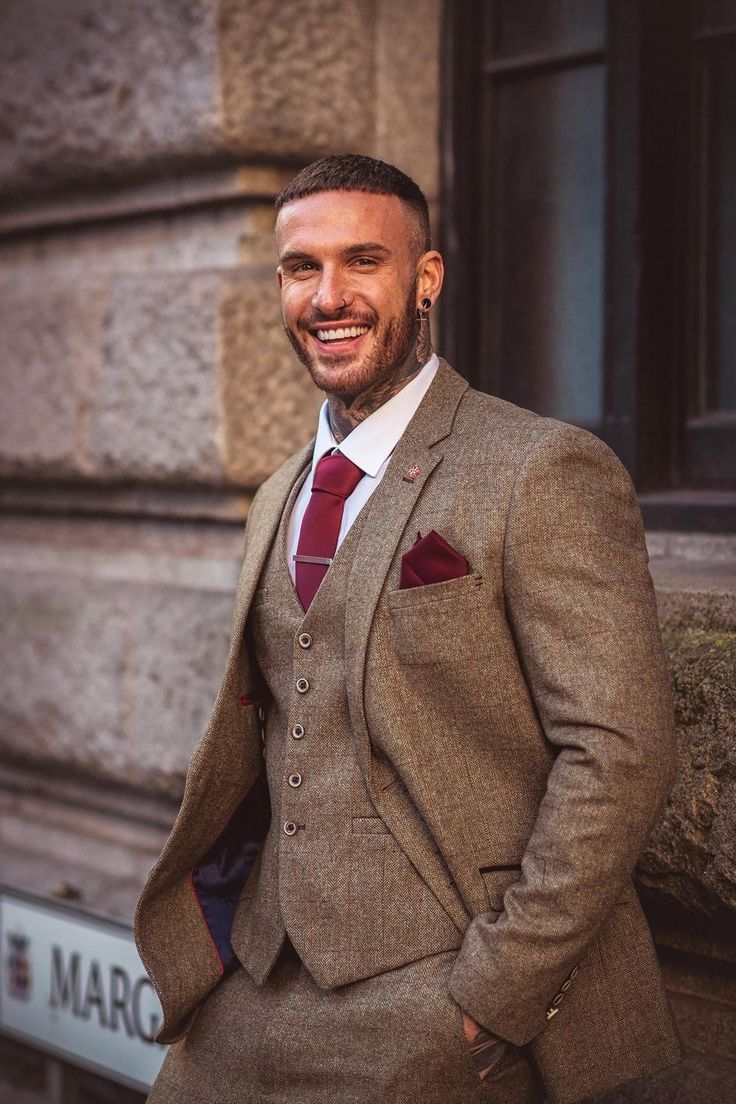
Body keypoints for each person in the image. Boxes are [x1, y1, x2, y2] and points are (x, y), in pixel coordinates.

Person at [135, 154, 681, 1104]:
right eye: (302, 268)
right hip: (254, 981)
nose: (329, 296)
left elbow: (619, 751)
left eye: (362, 261)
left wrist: (494, 993)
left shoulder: (538, 468)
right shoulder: (277, 495)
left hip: (437, 995)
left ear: (424, 280)